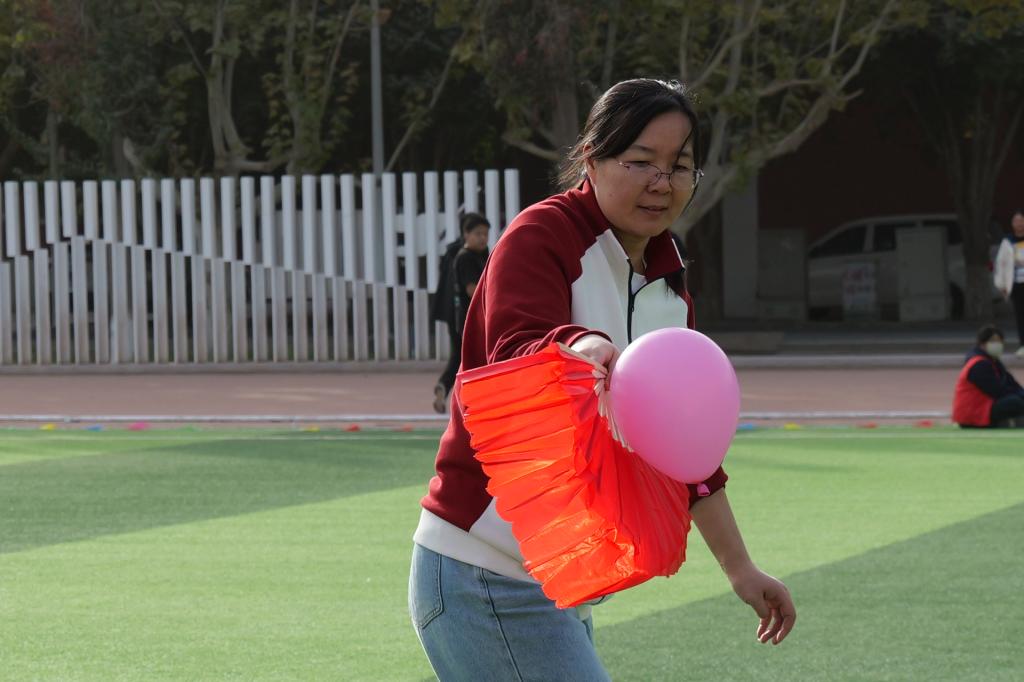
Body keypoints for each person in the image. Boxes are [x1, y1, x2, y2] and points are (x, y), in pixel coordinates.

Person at [408, 78, 796, 680]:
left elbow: (685, 451)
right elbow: (514, 350)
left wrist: (740, 568)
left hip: (562, 582)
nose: (661, 182)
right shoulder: (542, 235)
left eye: (679, 166)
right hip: (485, 572)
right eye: (640, 161)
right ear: (591, 157)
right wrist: (579, 345)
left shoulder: (670, 286)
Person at [431, 213, 490, 413]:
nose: (482, 238)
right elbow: (472, 289)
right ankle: (468, 401)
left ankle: (445, 387)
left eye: (485, 234)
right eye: (478, 234)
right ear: (466, 234)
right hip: (465, 319)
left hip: (465, 318)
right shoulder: (465, 257)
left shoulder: (480, 254)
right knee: (469, 359)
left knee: (459, 357)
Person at [952, 325, 1024, 428]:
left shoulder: (993, 362)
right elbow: (997, 391)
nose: (998, 344)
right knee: (1014, 402)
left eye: (1000, 341)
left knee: (1017, 400)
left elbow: (1012, 383)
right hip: (972, 413)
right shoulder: (979, 364)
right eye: (993, 341)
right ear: (982, 344)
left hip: (984, 407)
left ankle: (1008, 422)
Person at [993, 210, 1024, 356]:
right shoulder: (1007, 242)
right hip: (1017, 285)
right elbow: (1001, 264)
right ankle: (1023, 345)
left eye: (1021, 220)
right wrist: (1002, 285)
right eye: (1016, 221)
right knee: (1020, 316)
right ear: (1012, 224)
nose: (1019, 224)